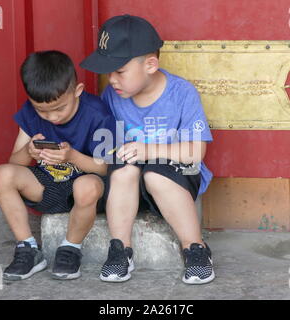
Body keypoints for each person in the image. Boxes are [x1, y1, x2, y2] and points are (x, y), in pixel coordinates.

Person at [80, 14, 215, 284]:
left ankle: (195, 249)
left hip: (173, 178)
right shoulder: (112, 96)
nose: (112, 80)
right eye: (108, 72)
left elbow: (195, 152)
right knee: (122, 171)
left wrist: (148, 151)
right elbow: (107, 145)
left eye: (119, 71)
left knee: (155, 174)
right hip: (129, 185)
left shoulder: (181, 93)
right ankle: (120, 249)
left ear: (150, 64)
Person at [0, 50, 115, 281]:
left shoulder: (98, 113)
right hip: (48, 186)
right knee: (2, 174)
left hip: (87, 191)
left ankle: (71, 248)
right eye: (42, 111)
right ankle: (28, 247)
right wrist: (28, 150)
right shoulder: (30, 113)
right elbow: (13, 164)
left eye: (59, 108)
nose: (51, 117)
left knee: (86, 185)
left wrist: (73, 157)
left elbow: (106, 168)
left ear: (77, 91)